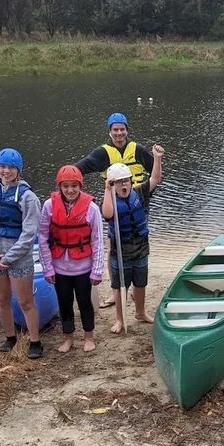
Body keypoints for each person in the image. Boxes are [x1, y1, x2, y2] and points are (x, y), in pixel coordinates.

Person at [75, 112, 158, 309]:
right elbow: (78, 169)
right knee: (114, 244)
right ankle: (117, 290)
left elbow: (155, 171)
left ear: (127, 131)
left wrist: (147, 188)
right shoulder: (102, 153)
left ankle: (136, 284)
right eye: (115, 130)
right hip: (114, 204)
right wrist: (79, 195)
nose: (119, 133)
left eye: (122, 129)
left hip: (138, 201)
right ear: (110, 132)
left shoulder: (137, 150)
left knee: (138, 240)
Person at [0, 148, 43, 358]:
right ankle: (10, 337)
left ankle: (35, 341)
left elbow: (30, 232)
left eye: (11, 167)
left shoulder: (28, 197)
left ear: (18, 170)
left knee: (25, 301)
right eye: (2, 167)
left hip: (18, 258)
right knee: (2, 300)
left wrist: (10, 257)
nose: (6, 171)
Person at [38, 165, 104, 353]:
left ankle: (89, 337)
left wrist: (97, 270)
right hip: (59, 268)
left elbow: (98, 240)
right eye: (65, 186)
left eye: (74, 185)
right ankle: (68, 338)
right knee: (64, 303)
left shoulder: (91, 208)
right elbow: (42, 237)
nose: (70, 190)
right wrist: (48, 268)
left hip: (83, 267)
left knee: (84, 302)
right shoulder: (49, 206)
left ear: (80, 186)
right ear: (60, 187)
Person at [101, 144, 163, 334]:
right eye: (119, 182)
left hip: (141, 248)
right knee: (120, 287)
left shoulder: (140, 192)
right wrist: (107, 189)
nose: (124, 185)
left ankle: (140, 312)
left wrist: (157, 158)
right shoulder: (110, 198)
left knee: (140, 284)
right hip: (120, 251)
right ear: (113, 184)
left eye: (126, 181)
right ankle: (120, 319)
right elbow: (108, 214)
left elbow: (155, 179)